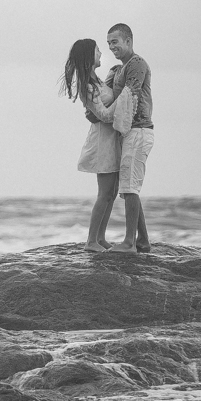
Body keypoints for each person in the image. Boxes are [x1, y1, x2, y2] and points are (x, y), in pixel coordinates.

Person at [61, 38, 121, 252]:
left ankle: (101, 237)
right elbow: (104, 115)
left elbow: (103, 107)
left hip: (111, 140)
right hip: (101, 142)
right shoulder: (87, 85)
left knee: (112, 192)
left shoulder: (97, 81)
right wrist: (123, 100)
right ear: (89, 56)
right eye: (97, 50)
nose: (101, 54)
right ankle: (91, 241)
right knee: (104, 193)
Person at [102, 23, 153, 253]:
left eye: (115, 42)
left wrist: (105, 113)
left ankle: (129, 243)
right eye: (109, 43)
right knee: (128, 187)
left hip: (139, 130)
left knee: (130, 188)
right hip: (129, 132)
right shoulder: (119, 69)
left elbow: (128, 96)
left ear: (128, 41)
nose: (112, 46)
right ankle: (142, 240)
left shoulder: (137, 64)